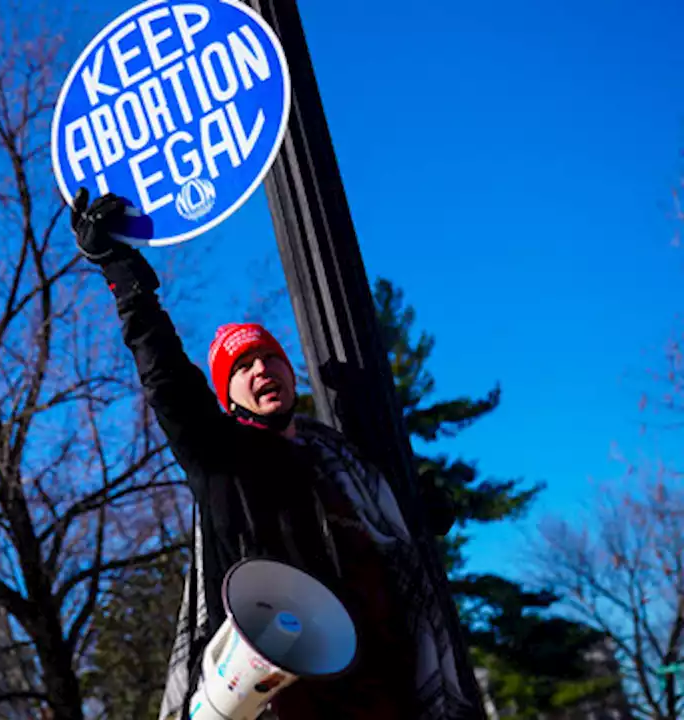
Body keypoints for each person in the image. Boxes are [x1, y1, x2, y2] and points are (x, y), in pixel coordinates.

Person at [70, 188, 481, 720]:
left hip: (390, 696)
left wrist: (411, 515)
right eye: (243, 367)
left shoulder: (344, 468)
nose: (262, 369)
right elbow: (166, 378)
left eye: (269, 357)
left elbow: (385, 554)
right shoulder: (224, 460)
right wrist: (122, 272)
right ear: (226, 396)